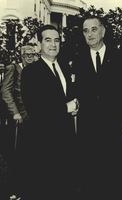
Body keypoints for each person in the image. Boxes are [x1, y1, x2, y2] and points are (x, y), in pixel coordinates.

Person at [74, 16, 122, 199]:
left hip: (113, 126)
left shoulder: (120, 58)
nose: (89, 34)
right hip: (88, 127)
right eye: (85, 31)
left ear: (103, 31)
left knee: (113, 173)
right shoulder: (77, 59)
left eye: (93, 29)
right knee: (90, 175)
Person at [21, 24, 79, 200]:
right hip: (43, 145)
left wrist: (75, 104)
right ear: (38, 44)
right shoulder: (30, 72)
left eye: (56, 40)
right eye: (48, 40)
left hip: (66, 142)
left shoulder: (64, 68)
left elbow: (68, 95)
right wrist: (66, 108)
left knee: (64, 189)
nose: (53, 44)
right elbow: (36, 109)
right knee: (45, 190)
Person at [1, 44, 36, 198]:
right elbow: (5, 92)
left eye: (32, 54)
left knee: (31, 154)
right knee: (17, 155)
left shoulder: (34, 69)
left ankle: (28, 187)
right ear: (21, 55)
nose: (30, 57)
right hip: (19, 119)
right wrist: (15, 112)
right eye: (27, 54)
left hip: (33, 118)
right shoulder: (13, 68)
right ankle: (14, 190)